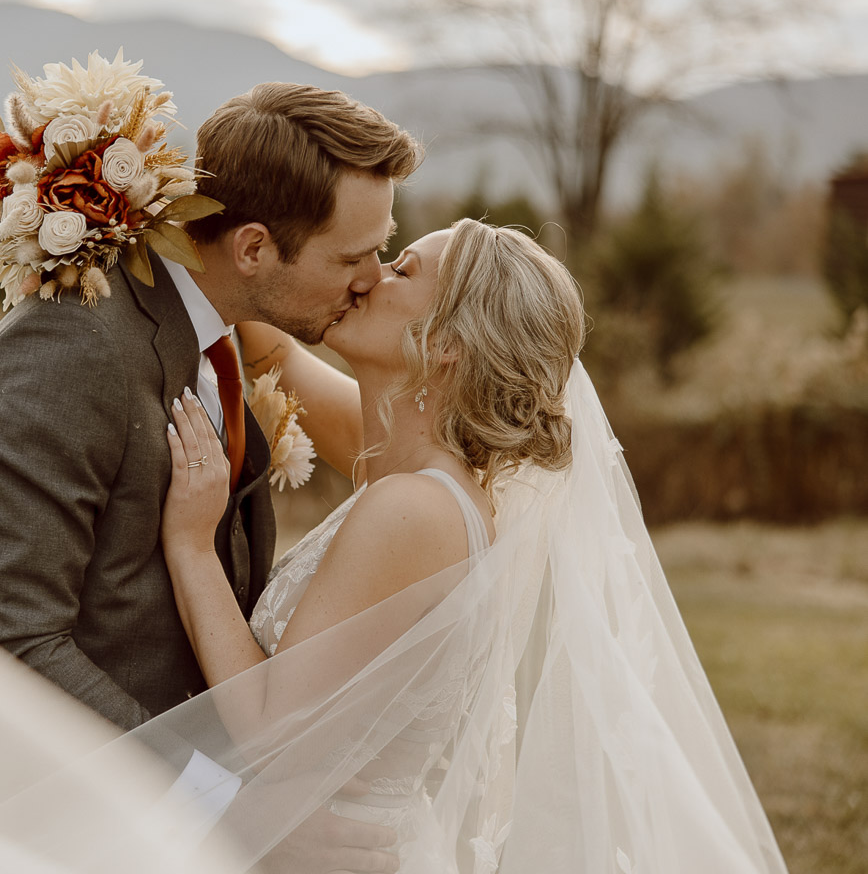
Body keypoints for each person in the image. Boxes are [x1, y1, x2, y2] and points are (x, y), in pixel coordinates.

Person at [147, 219, 788, 871]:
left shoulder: (413, 511)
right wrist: (160, 216)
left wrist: (193, 547)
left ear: (445, 343)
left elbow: (267, 728)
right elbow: (272, 353)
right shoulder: (412, 476)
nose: (368, 275)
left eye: (402, 271)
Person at [0, 80, 421, 732]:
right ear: (252, 248)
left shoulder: (224, 336)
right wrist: (213, 800)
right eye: (352, 256)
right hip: (88, 818)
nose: (373, 277)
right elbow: (7, 640)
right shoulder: (68, 347)